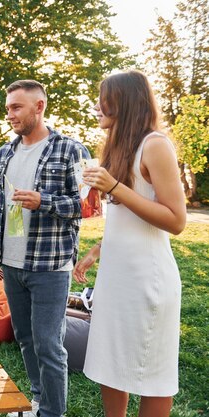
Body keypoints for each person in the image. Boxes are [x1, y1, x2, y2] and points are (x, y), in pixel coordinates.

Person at [74, 70, 186, 417]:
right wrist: (95, 253)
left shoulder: (155, 145)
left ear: (124, 101)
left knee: (152, 374)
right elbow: (126, 220)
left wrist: (114, 187)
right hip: (116, 278)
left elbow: (176, 220)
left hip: (146, 281)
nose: (96, 106)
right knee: (112, 364)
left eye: (103, 98)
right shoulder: (120, 149)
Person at [0, 80, 87, 417]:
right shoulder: (6, 152)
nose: (10, 115)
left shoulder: (72, 150)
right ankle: (38, 401)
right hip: (13, 263)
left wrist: (44, 201)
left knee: (49, 345)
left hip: (50, 264)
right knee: (26, 339)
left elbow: (87, 206)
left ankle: (52, 413)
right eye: (8, 109)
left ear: (39, 106)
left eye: (16, 107)